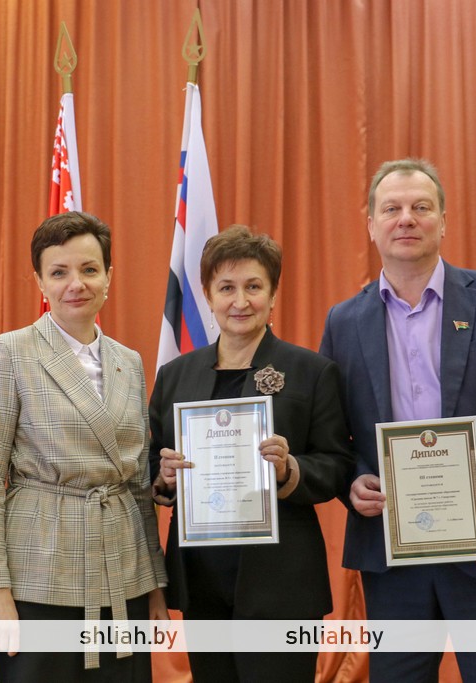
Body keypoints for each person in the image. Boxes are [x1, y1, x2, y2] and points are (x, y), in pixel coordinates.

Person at [319, 158, 476, 682]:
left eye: (420, 207)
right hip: (393, 554)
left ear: (443, 220)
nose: (406, 218)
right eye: (391, 208)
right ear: (370, 224)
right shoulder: (343, 322)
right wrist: (353, 479)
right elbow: (329, 433)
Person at [150, 225, 354, 681]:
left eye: (253, 286)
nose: (240, 301)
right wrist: (163, 477)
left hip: (282, 579)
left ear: (273, 293)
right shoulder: (175, 376)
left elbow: (338, 465)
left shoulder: (311, 372)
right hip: (201, 574)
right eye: (226, 288)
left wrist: (290, 469)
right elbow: (150, 463)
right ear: (207, 294)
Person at [0, 211, 168, 680]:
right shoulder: (10, 351)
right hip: (37, 571)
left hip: (125, 567)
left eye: (88, 269)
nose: (75, 283)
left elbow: (139, 482)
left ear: (108, 277)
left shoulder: (129, 361)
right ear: (40, 281)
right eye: (59, 272)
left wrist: (156, 584)